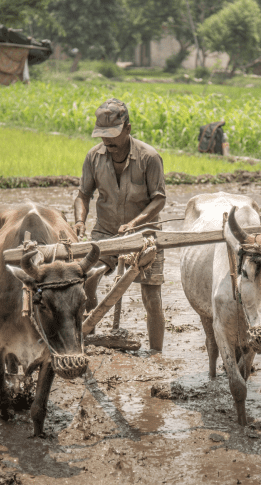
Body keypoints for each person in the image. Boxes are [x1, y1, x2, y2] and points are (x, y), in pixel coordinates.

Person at [74, 98, 167, 351]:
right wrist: (80, 221)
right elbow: (83, 195)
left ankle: (156, 355)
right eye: (103, 135)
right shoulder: (93, 157)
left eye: (113, 134)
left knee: (152, 297)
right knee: (87, 279)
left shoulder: (149, 157)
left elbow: (159, 199)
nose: (108, 140)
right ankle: (88, 339)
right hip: (105, 233)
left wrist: (135, 223)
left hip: (144, 234)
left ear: (127, 128)